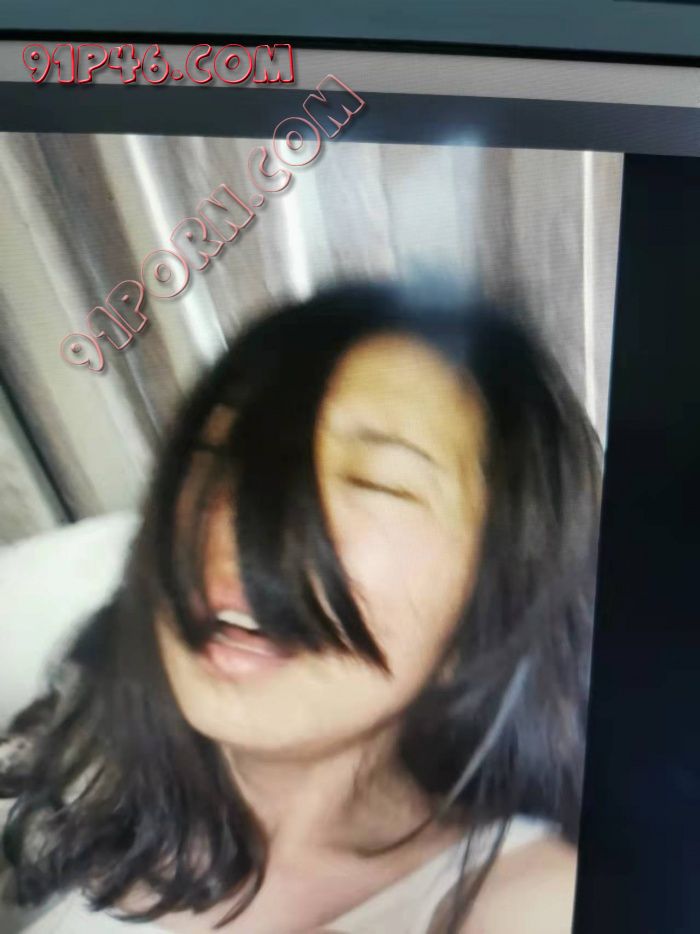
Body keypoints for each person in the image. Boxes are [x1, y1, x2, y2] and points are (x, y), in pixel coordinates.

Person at [0, 280, 601, 933]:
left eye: (375, 482)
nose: (237, 528)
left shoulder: (525, 900)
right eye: (217, 455)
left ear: (492, 608)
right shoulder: (81, 750)